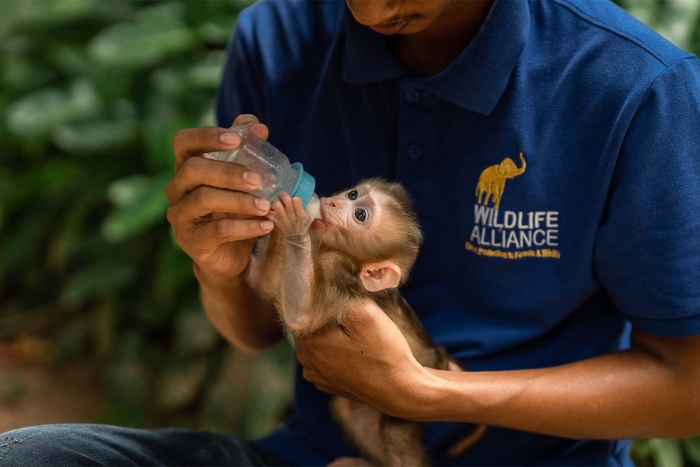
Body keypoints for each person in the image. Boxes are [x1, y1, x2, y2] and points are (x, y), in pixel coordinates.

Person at [3, 0, 700, 465]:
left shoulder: (632, 89)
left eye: (357, 207)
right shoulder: (278, 38)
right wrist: (218, 267)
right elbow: (258, 330)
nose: (370, 10)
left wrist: (429, 396)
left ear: (383, 270)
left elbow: (689, 385)